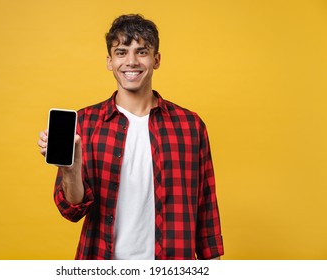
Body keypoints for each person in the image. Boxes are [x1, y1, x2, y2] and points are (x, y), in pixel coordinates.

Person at [38, 14, 224, 260]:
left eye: (142, 52)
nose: (131, 61)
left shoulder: (190, 126)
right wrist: (70, 172)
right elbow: (71, 211)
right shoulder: (85, 124)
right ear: (109, 61)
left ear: (156, 60)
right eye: (122, 52)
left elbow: (206, 210)